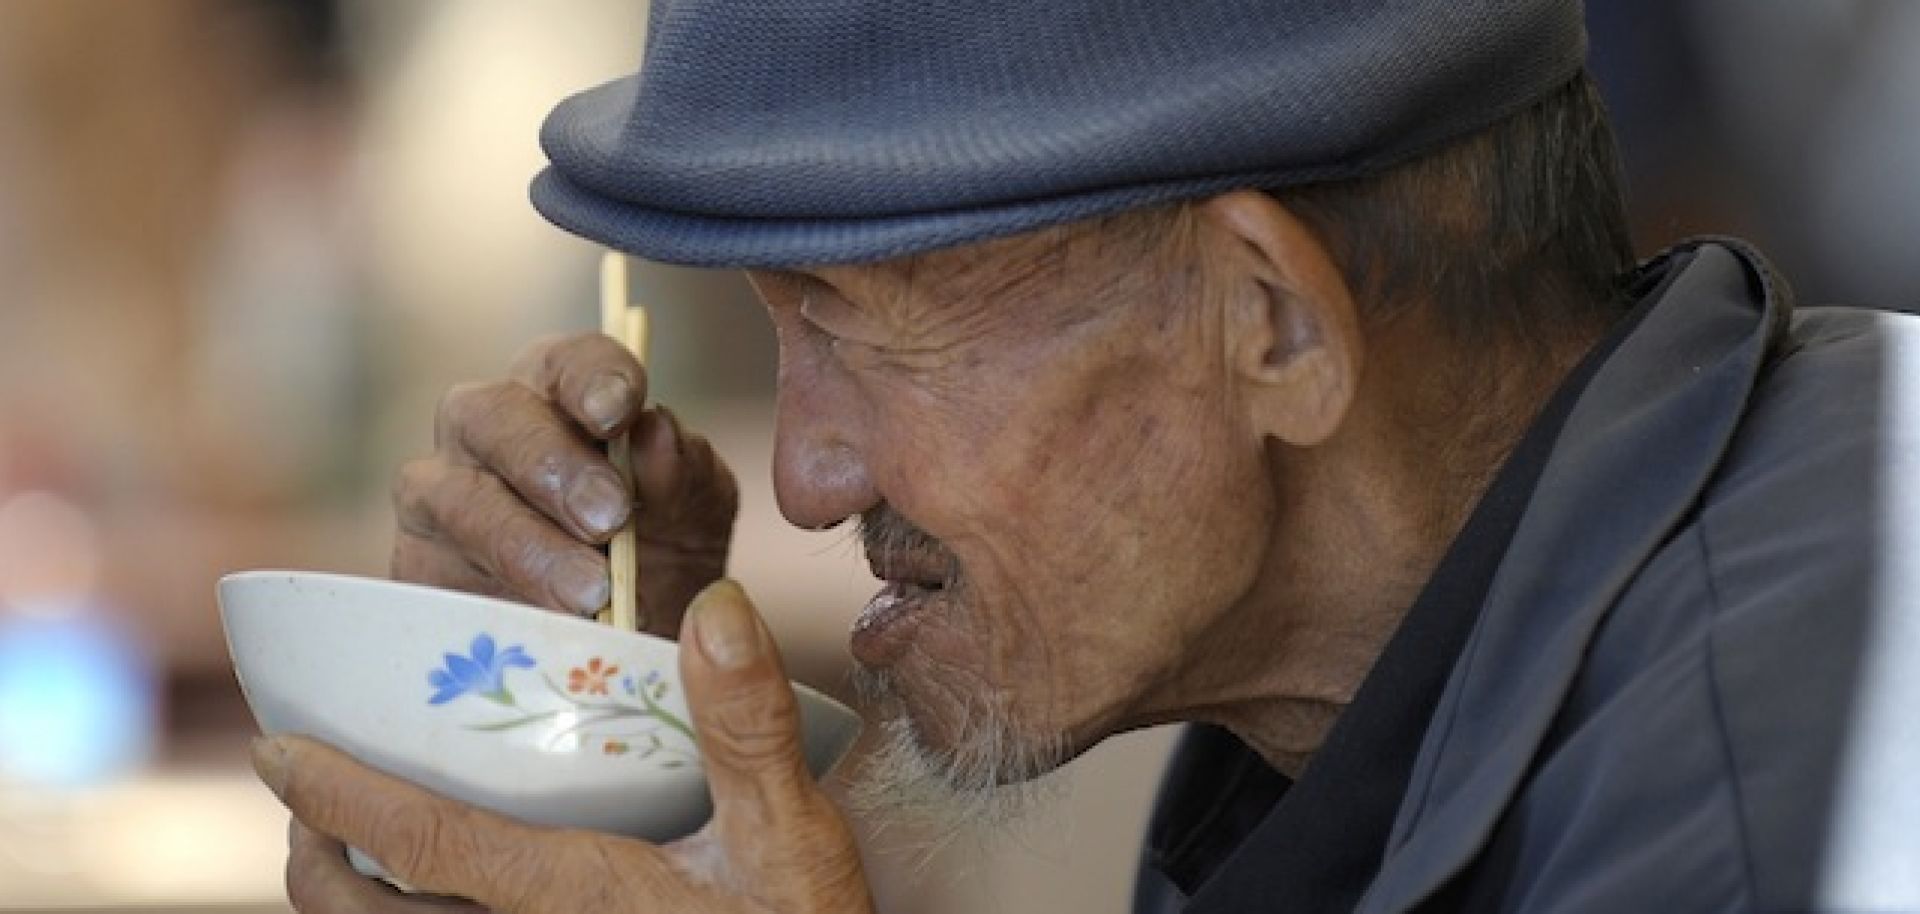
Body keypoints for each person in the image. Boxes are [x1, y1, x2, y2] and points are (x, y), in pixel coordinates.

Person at [247, 1, 1920, 911]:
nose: (809, 477)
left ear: (1274, 323)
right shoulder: (1370, 677)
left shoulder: (1794, 765)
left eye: (867, 322)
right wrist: (637, 764)